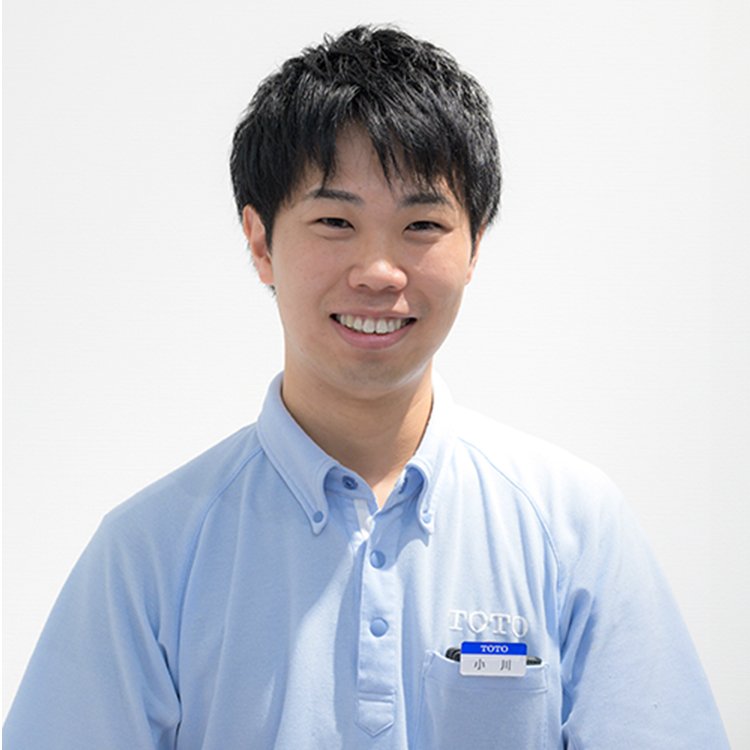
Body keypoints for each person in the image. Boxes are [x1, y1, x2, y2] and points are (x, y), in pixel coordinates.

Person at [4, 25, 729, 749]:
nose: (379, 272)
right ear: (260, 243)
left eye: (422, 224)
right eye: (334, 221)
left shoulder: (571, 528)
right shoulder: (150, 553)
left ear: (474, 245)